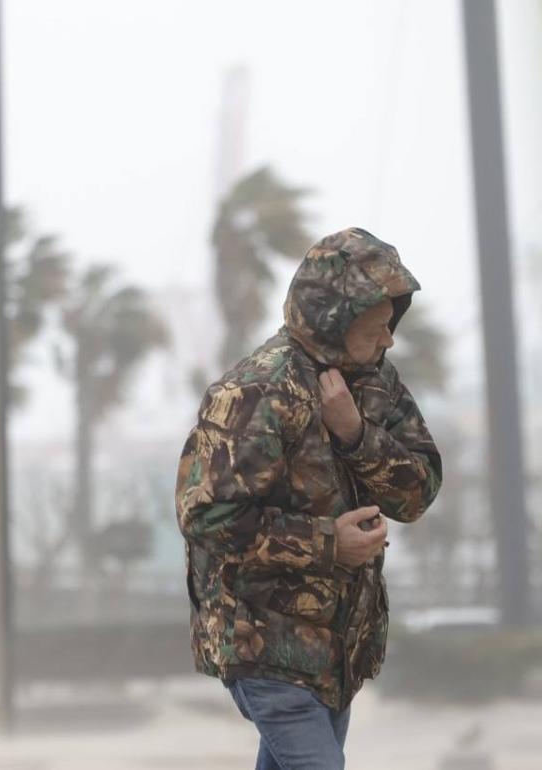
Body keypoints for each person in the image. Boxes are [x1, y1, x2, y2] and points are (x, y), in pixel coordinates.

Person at [175, 227, 442, 769]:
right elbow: (205, 515)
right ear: (336, 318)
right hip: (264, 643)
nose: (388, 338)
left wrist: (354, 434)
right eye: (376, 325)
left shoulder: (375, 381)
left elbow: (417, 492)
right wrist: (327, 545)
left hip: (337, 647)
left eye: (390, 322)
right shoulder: (257, 391)